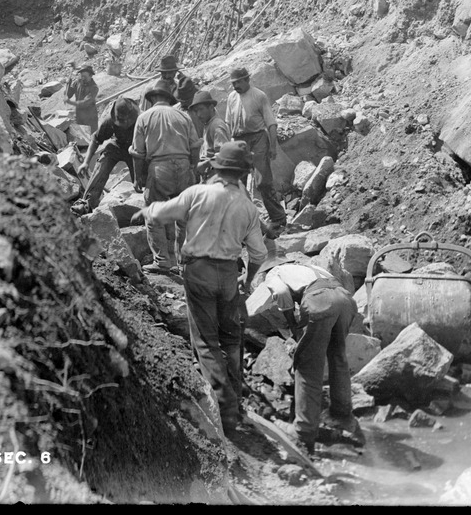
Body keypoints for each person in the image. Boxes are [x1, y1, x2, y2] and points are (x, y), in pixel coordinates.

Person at [131, 141, 267, 435]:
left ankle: (224, 405)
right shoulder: (248, 207)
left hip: (199, 270)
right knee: (230, 337)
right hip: (229, 273)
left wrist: (146, 212)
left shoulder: (198, 193)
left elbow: (163, 213)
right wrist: (248, 279)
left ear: (216, 169)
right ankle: (236, 391)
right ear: (242, 174)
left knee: (205, 341)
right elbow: (258, 254)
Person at [246, 259, 361, 453]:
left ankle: (303, 431)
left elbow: (281, 293)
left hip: (320, 301)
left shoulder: (275, 272)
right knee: (338, 358)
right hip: (346, 300)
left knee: (307, 367)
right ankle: (342, 417)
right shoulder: (309, 267)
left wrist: (293, 326)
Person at [130, 80, 201, 273]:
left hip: (160, 167)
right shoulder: (183, 116)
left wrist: (138, 178)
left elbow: (138, 153)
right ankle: (184, 261)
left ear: (152, 98)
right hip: (184, 164)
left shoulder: (144, 117)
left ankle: (162, 261)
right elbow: (195, 146)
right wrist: (193, 167)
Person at [225, 67, 286, 234]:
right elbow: (228, 125)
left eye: (238, 82)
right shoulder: (231, 98)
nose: (235, 86)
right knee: (238, 183)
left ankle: (278, 218)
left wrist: (272, 146)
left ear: (247, 80)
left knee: (263, 181)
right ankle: (245, 223)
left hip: (258, 138)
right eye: (233, 83)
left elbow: (271, 123)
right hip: (239, 141)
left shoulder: (259, 96)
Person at [70, 97, 140, 215]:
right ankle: (87, 204)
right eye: (121, 121)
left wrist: (139, 176)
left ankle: (142, 204)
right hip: (117, 145)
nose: (124, 124)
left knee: (140, 183)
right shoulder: (110, 121)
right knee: (104, 160)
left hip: (136, 150)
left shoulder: (141, 121)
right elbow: (95, 140)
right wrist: (86, 162)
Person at [189, 90, 230, 180]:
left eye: (201, 109)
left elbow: (224, 154)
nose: (198, 114)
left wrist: (205, 164)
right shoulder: (208, 124)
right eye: (196, 111)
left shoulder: (216, 126)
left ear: (211, 107)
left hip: (218, 177)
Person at [65, 64, 99, 134]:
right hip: (79, 116)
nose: (82, 78)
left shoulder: (94, 88)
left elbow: (85, 103)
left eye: (85, 77)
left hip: (90, 119)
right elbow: (68, 95)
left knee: (91, 139)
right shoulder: (77, 82)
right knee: (80, 139)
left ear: (90, 76)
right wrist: (68, 85)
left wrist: (70, 102)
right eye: (81, 76)